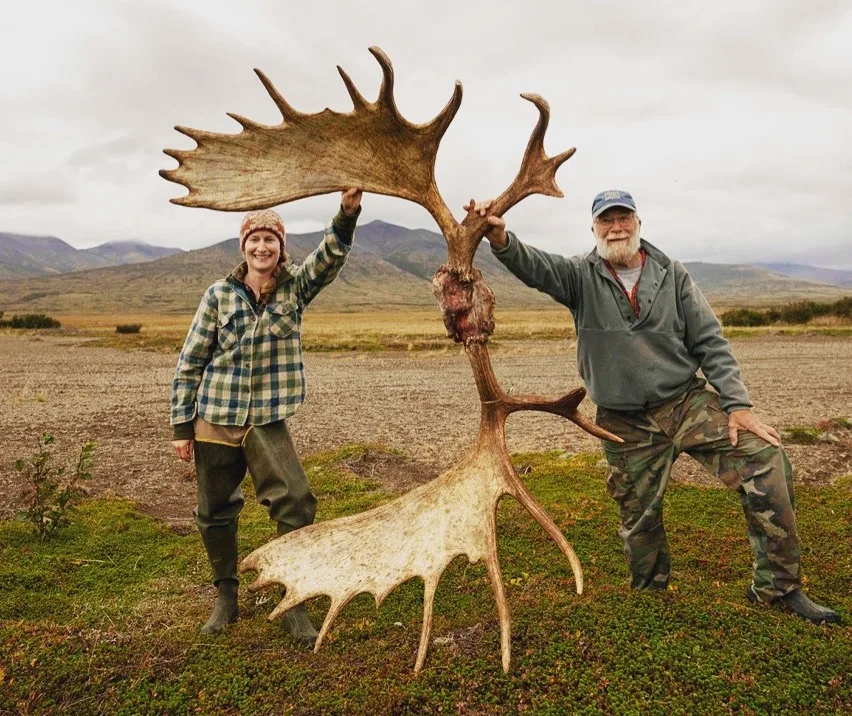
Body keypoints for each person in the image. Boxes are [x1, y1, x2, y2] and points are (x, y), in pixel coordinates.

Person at [464, 190, 840, 624]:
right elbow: (536, 268)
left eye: (624, 217)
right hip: (624, 420)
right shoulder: (579, 277)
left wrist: (737, 405)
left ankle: (778, 588)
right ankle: (650, 596)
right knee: (637, 517)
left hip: (685, 403)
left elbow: (709, 342)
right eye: (606, 220)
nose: (616, 227)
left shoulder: (672, 275)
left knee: (765, 458)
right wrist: (501, 239)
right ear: (594, 229)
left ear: (639, 223)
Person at [170, 189, 363, 641]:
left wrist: (347, 212)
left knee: (296, 500)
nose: (262, 247)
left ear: (280, 248)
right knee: (214, 510)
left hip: (266, 417)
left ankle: (291, 599)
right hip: (215, 415)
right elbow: (190, 361)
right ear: (244, 247)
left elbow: (330, 255)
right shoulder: (218, 296)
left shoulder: (296, 287)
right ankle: (226, 597)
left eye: (270, 241)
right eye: (254, 240)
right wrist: (181, 426)